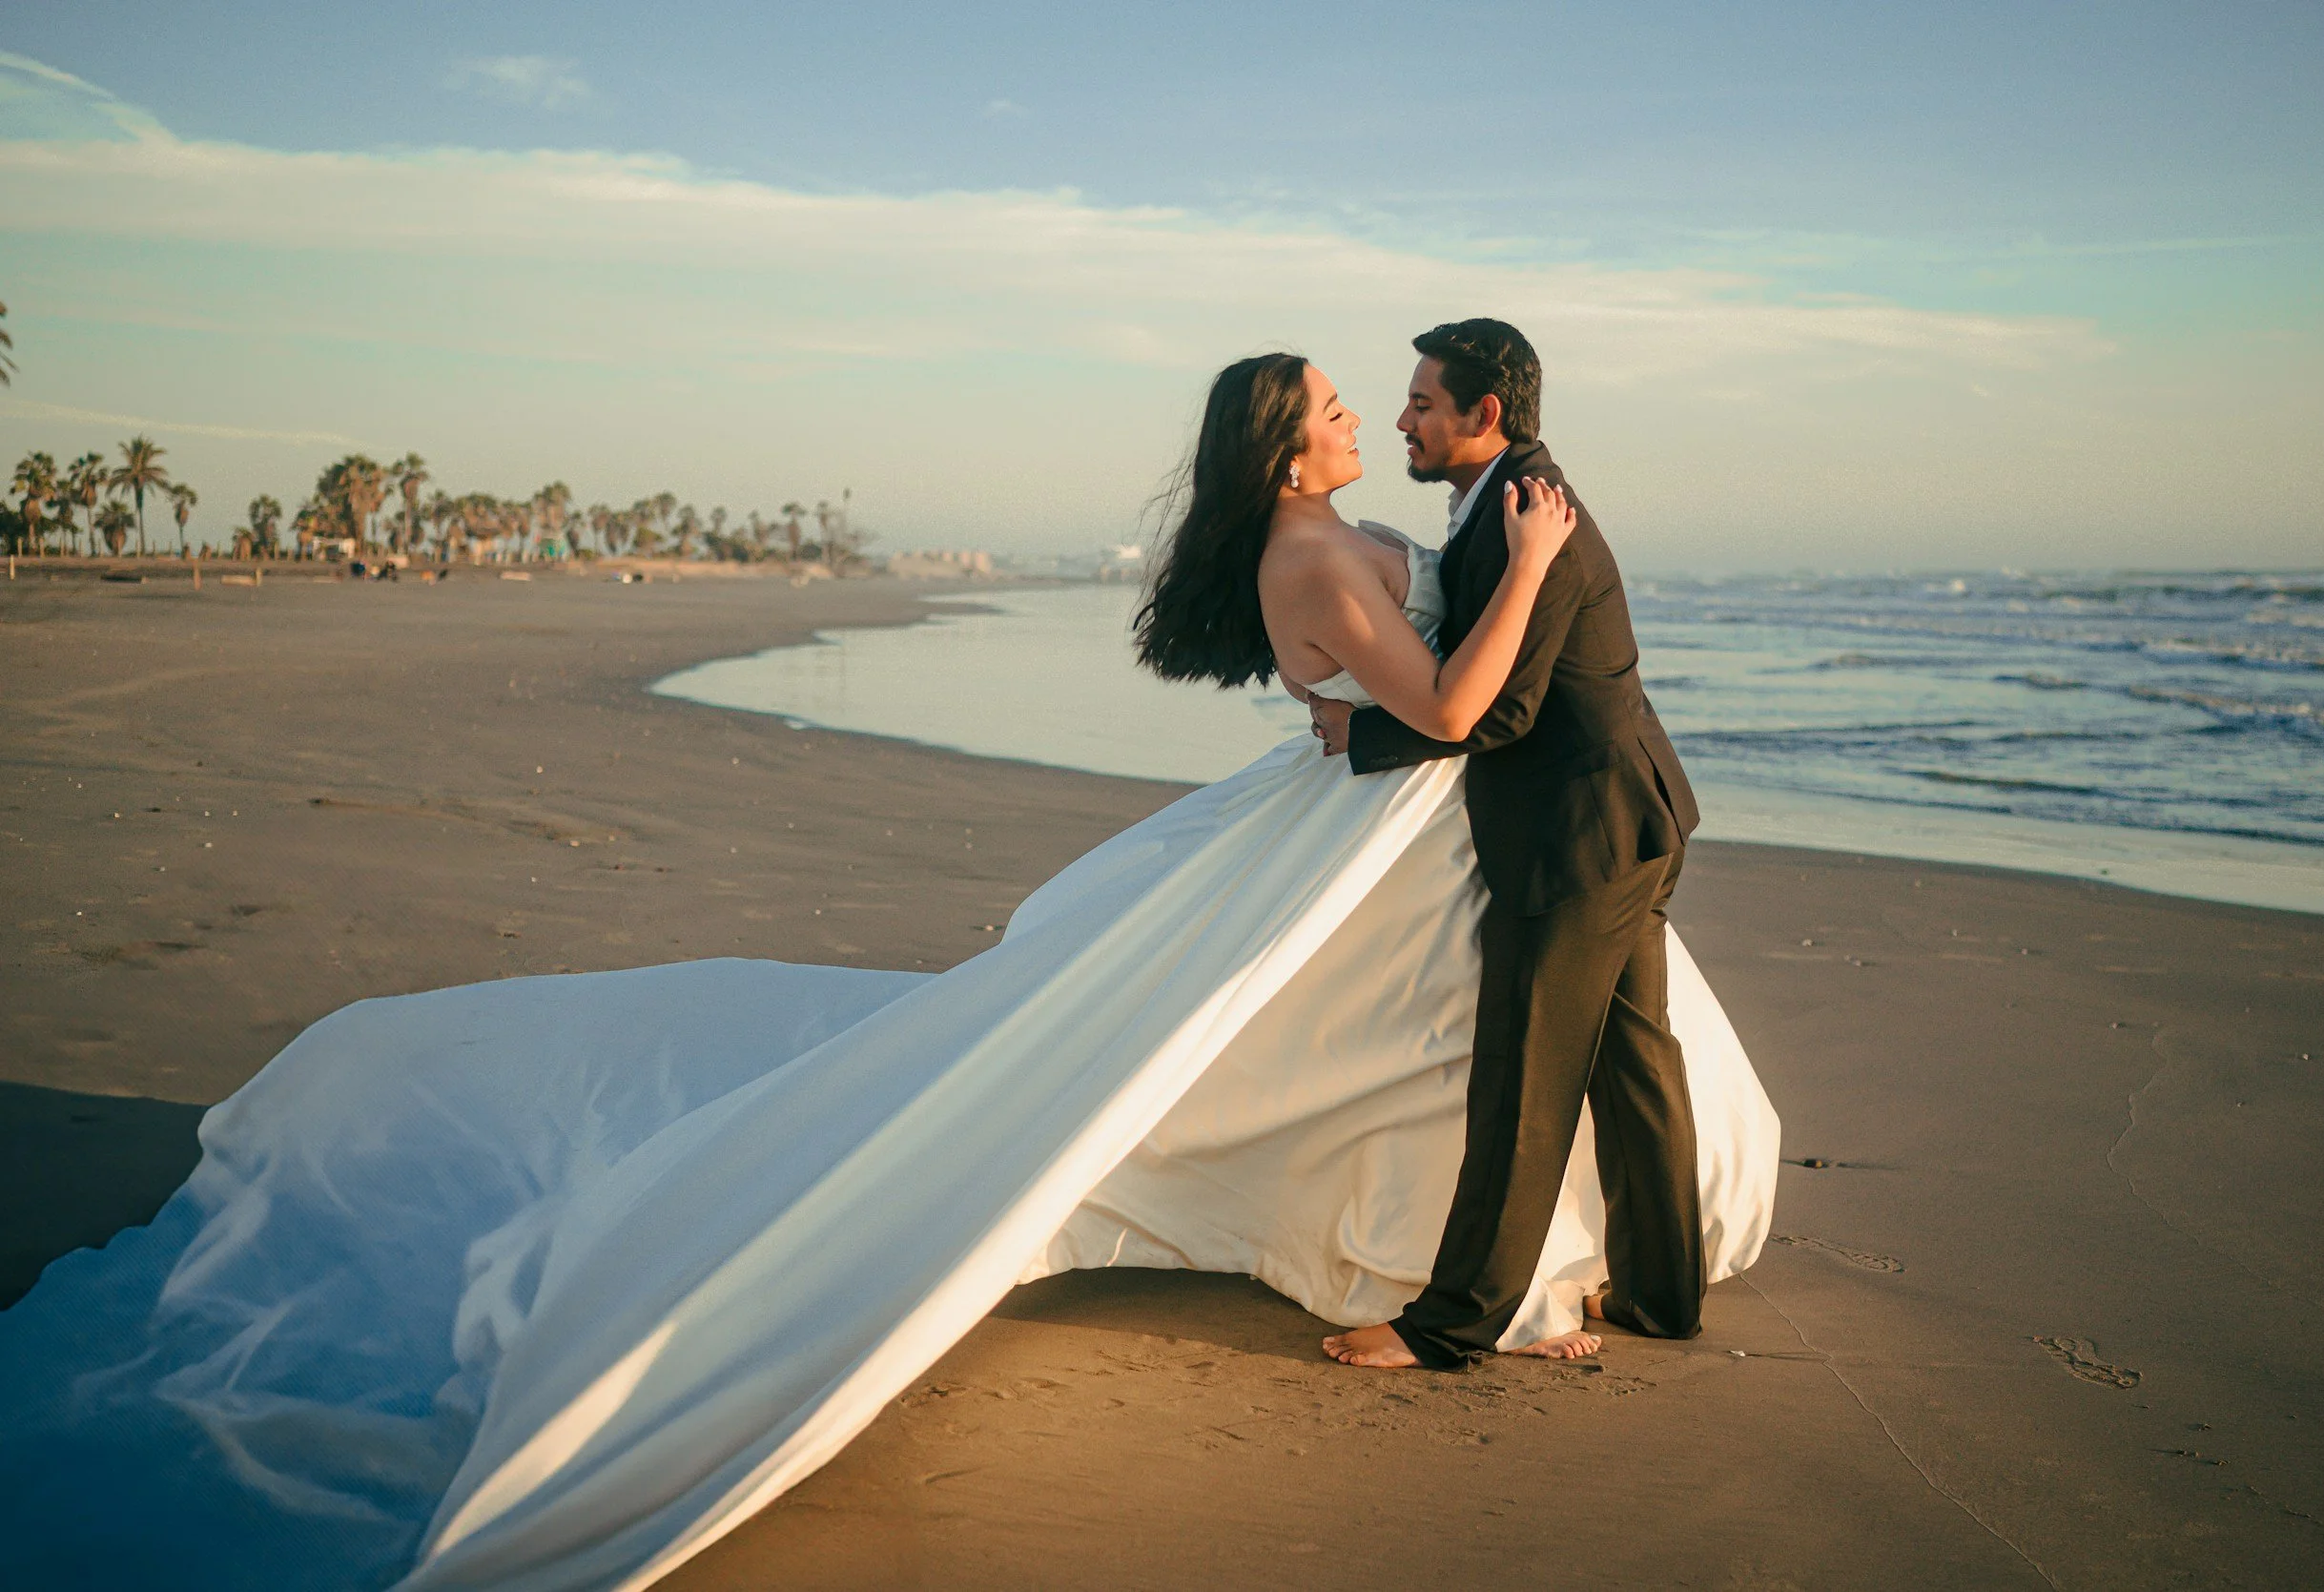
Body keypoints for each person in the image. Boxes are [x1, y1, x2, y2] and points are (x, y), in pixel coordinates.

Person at [0, 351, 1777, 1592]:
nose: (1361, 417)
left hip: (1394, 828)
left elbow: (1365, 694)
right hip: (1406, 825)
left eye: (1373, 400)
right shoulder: (1317, 538)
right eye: (1332, 404)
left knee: (1364, 1042)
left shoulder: (1314, 539)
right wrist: (1528, 563)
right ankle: (1476, 1264)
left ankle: (1515, 1251)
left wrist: (1405, 653)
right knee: (1319, 1047)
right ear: (1284, 447)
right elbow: (1446, 702)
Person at [1307, 320, 1709, 1369]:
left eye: (1422, 403)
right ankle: (1663, 1298)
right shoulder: (1506, 500)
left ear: (1485, 415)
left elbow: (1501, 711)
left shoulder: (1530, 516)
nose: (1401, 418)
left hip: (1579, 838)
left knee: (1523, 1082)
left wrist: (1364, 731)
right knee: (1632, 1065)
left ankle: (1448, 1326)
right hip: (1628, 816)